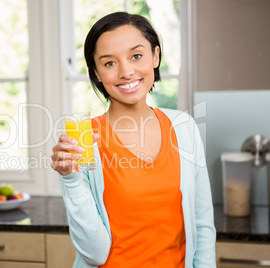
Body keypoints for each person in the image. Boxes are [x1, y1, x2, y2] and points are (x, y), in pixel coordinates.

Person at [51, 12, 216, 268]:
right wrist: (70, 179)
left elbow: (203, 224)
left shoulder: (184, 128)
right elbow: (94, 254)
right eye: (109, 63)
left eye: (136, 56)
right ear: (95, 72)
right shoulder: (82, 142)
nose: (126, 72)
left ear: (156, 57)